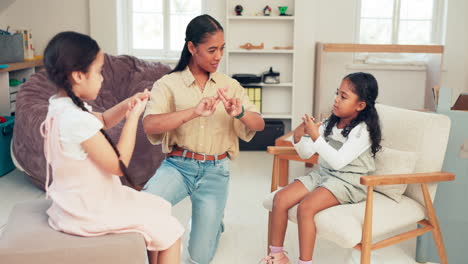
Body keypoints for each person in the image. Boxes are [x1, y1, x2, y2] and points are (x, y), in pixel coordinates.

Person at [40, 31, 184, 264]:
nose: (102, 78)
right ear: (78, 75)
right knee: (172, 231)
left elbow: (105, 120)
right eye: (98, 72)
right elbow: (118, 165)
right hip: (87, 212)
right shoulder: (76, 121)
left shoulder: (60, 107)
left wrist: (129, 103)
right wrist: (133, 118)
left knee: (158, 207)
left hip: (72, 203)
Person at [142, 14, 265, 264]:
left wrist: (239, 113)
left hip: (215, 172)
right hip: (178, 166)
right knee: (144, 210)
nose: (219, 56)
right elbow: (150, 124)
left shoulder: (229, 86)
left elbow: (259, 124)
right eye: (212, 50)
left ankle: (212, 220)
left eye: (222, 49)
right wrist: (193, 112)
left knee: (200, 257)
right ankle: (207, 217)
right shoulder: (168, 84)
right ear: (191, 47)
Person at [262, 72, 382, 264]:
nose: (336, 100)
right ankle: (277, 256)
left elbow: (338, 161)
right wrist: (301, 135)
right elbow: (305, 154)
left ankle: (305, 262)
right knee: (280, 198)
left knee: (306, 208)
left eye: (343, 97)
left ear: (360, 105)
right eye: (337, 93)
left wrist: (316, 137)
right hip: (325, 175)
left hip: (349, 181)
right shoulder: (330, 122)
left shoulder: (363, 130)